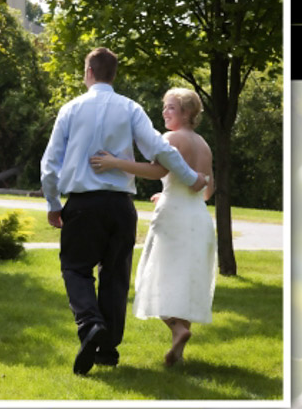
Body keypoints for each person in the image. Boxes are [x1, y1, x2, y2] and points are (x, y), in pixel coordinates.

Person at [39, 48, 210, 376]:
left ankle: (90, 324)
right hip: (120, 207)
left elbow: (49, 164)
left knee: (75, 269)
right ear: (113, 74)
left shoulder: (71, 109)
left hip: (82, 203)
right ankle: (107, 352)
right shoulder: (130, 108)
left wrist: (53, 204)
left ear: (89, 71)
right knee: (115, 276)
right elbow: (159, 150)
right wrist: (191, 179)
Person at [89, 87, 217, 368]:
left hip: (173, 217)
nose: (164, 111)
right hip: (199, 217)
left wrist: (113, 162)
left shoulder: (170, 138)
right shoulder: (204, 144)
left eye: (170, 107)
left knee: (157, 276)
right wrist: (174, 191)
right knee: (184, 279)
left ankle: (176, 328)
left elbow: (155, 171)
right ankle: (177, 348)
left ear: (185, 112)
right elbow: (208, 191)